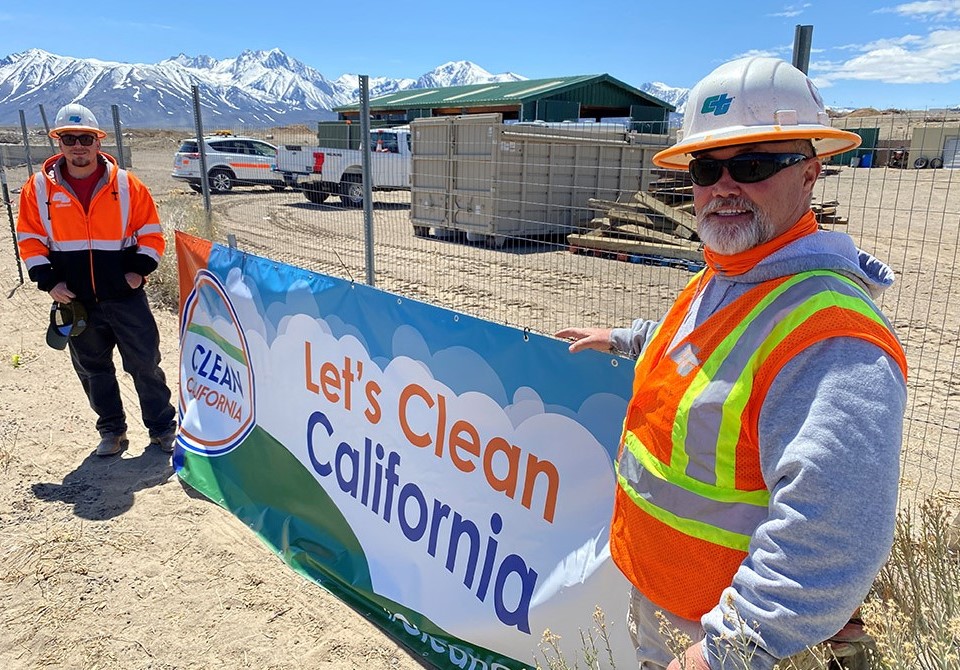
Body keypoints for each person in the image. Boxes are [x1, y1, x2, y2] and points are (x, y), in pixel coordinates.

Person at [556, 57, 908, 669]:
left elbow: (831, 533)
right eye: (705, 167)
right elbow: (704, 352)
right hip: (663, 600)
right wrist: (624, 337)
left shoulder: (831, 335)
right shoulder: (730, 274)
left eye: (751, 165)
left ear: (810, 172)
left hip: (720, 638)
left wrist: (725, 649)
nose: (724, 187)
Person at [16, 103, 177, 457]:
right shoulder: (38, 189)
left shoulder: (127, 185)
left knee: (145, 364)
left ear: (98, 142)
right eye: (69, 138)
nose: (78, 145)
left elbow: (151, 233)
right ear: (58, 142)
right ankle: (112, 431)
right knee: (93, 369)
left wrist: (138, 272)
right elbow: (29, 238)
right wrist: (48, 281)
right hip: (76, 300)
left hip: (124, 296)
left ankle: (163, 428)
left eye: (85, 138)